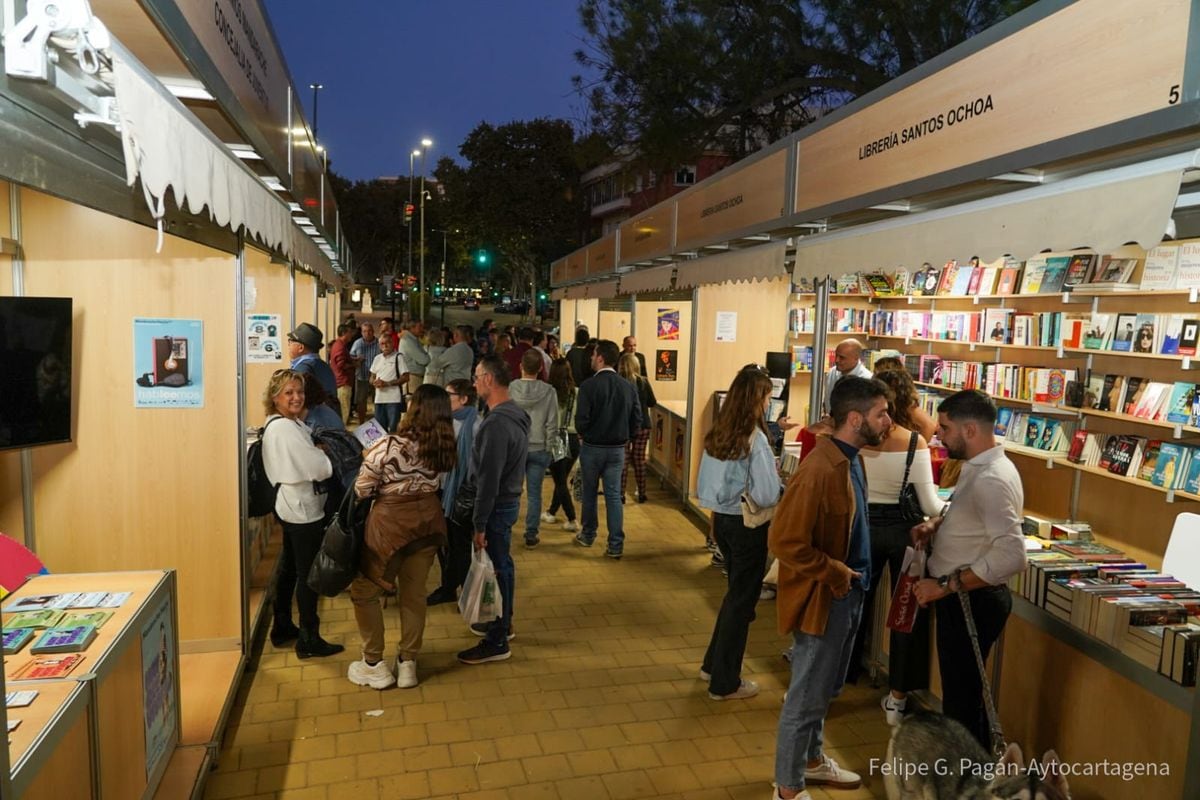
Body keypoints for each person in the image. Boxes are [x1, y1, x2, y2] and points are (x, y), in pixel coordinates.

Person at [770, 376, 891, 799]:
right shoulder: (819, 469)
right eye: (881, 413)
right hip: (826, 597)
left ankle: (813, 761)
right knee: (805, 697)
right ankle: (787, 787)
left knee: (825, 689)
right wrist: (835, 573)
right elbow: (784, 541)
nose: (888, 421)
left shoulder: (851, 459)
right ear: (855, 419)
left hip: (848, 593)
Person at [913, 390, 1027, 749]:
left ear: (971, 429)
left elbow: (1012, 554)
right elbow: (975, 523)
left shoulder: (992, 478)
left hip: (970, 602)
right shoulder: (979, 467)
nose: (938, 436)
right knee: (962, 695)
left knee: (962, 701)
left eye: (945, 428)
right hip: (962, 598)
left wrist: (945, 586)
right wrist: (937, 525)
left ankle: (965, 780)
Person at [850, 367, 945, 724]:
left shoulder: (859, 438)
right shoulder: (913, 442)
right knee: (905, 614)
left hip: (863, 528)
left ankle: (841, 677)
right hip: (906, 533)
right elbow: (931, 505)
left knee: (855, 604)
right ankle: (898, 699)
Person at [346, 384, 455, 690]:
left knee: (365, 592)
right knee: (414, 594)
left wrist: (369, 456)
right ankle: (408, 663)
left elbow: (362, 489)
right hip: (429, 525)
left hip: (390, 528)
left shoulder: (389, 445)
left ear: (414, 409)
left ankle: (373, 663)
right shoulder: (445, 446)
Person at [696, 366, 782, 700]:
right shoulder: (756, 439)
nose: (768, 403)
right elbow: (765, 494)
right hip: (748, 525)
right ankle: (725, 681)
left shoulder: (721, 431)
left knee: (735, 596)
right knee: (740, 603)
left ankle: (712, 665)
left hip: (724, 520)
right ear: (757, 399)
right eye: (766, 397)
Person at [260, 369, 344, 659]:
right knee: (309, 574)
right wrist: (323, 454)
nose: (296, 397)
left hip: (289, 504)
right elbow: (319, 467)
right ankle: (309, 637)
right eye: (289, 393)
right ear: (275, 397)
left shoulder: (281, 423)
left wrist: (316, 450)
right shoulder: (285, 428)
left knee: (290, 567)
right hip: (302, 509)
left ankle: (282, 624)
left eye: (299, 392)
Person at [457, 355, 530, 664]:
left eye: (476, 377)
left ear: (488, 379)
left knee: (498, 568)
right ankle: (504, 621)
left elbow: (488, 479)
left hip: (497, 505)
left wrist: (479, 523)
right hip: (509, 500)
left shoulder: (495, 425)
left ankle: (498, 639)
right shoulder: (517, 414)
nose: (474, 383)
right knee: (503, 564)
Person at [574, 340, 641, 559]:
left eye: (593, 355)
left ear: (600, 357)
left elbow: (581, 420)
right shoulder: (628, 386)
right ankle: (615, 545)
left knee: (590, 493)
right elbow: (637, 418)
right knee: (613, 496)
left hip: (592, 448)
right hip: (617, 450)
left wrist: (584, 434)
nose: (591, 358)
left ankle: (588, 533)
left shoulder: (587, 387)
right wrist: (627, 437)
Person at [427, 378, 479, 605]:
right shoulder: (445, 421)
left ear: (464, 399)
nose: (444, 400)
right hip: (442, 490)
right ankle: (448, 588)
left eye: (449, 395)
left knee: (461, 546)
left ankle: (466, 592)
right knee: (445, 543)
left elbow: (476, 466)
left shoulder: (475, 425)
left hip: (462, 494)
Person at [509, 349, 560, 548]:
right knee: (534, 493)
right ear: (540, 368)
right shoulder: (549, 392)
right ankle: (531, 533)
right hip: (539, 447)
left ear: (520, 367)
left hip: (515, 448)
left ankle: (508, 526)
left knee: (512, 491)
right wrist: (549, 448)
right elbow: (552, 423)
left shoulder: (511, 388)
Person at [544, 359, 579, 532]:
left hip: (557, 438)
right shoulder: (576, 392)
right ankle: (551, 512)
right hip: (573, 440)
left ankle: (572, 518)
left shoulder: (549, 393)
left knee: (559, 481)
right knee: (561, 480)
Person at [618, 352, 656, 503]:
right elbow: (652, 402)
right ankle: (641, 493)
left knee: (624, 460)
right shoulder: (644, 382)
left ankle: (621, 494)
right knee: (639, 460)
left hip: (624, 426)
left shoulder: (619, 382)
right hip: (643, 426)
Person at [872, 358, 936, 441]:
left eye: (875, 373)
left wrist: (918, 448)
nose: (873, 377)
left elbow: (929, 425)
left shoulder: (907, 405)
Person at [821, 338, 873, 417]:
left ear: (856, 358)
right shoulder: (832, 372)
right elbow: (827, 400)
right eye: (836, 355)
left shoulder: (867, 379)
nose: (836, 360)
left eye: (842, 357)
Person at [288, 322, 337, 405]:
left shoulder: (302, 369)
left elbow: (298, 404)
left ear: (301, 348)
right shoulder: (323, 365)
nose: (288, 344)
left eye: (290, 341)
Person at [369, 332, 408, 432]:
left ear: (393, 343)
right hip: (379, 399)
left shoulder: (399, 357)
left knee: (394, 429)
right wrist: (375, 382)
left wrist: (387, 384)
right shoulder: (377, 358)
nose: (385, 346)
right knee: (380, 430)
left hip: (393, 399)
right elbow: (371, 377)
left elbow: (406, 377)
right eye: (382, 343)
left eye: (388, 343)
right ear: (379, 345)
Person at [349, 323, 380, 424]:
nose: (367, 333)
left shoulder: (379, 343)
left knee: (378, 401)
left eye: (369, 330)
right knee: (361, 401)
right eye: (365, 331)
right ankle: (362, 423)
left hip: (377, 377)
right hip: (362, 376)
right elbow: (350, 357)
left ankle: (378, 422)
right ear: (361, 332)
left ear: (373, 331)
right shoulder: (357, 343)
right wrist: (357, 359)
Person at [329, 323, 356, 423]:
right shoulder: (340, 347)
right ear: (344, 333)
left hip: (340, 381)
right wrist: (354, 365)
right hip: (343, 382)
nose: (351, 335)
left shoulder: (337, 345)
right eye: (349, 333)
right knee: (344, 411)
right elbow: (341, 365)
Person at [400, 320, 430, 392]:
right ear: (412, 328)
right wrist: (427, 356)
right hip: (412, 378)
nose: (422, 329)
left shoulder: (414, 339)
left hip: (415, 377)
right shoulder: (408, 340)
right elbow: (424, 360)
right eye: (419, 327)